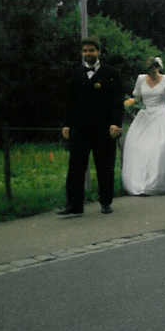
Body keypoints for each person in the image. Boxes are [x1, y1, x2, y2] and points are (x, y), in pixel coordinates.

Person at [59, 37, 123, 216]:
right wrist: (66, 124)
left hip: (104, 129)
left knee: (105, 166)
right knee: (75, 167)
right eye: (85, 51)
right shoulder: (75, 73)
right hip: (80, 129)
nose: (88, 54)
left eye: (91, 50)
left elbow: (117, 101)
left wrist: (116, 124)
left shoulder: (111, 73)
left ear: (99, 52)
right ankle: (74, 205)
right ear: (82, 53)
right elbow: (69, 102)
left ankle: (105, 202)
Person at [120, 57, 165, 195]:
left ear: (158, 67)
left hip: (162, 114)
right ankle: (141, 182)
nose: (152, 72)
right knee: (138, 147)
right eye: (150, 69)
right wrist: (127, 103)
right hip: (146, 115)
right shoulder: (141, 79)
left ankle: (159, 182)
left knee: (161, 146)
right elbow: (137, 98)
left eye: (154, 69)